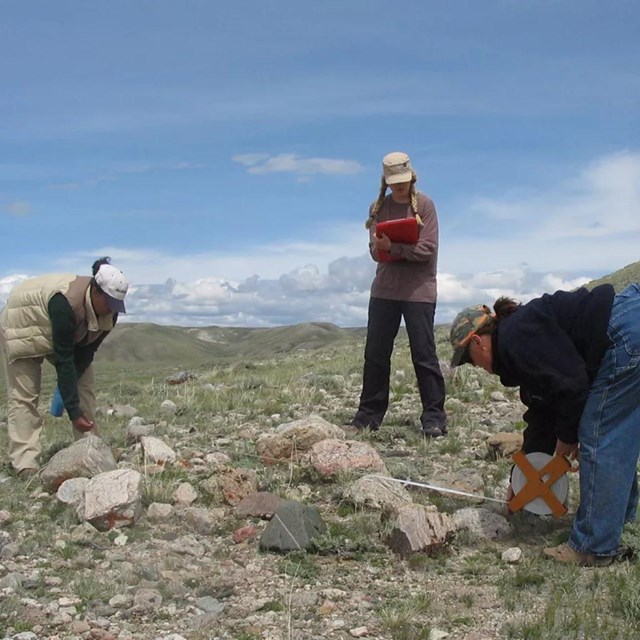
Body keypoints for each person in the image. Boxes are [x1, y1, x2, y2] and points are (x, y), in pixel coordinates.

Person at [449, 282, 640, 566]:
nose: (475, 366)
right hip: (630, 323)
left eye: (470, 360)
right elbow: (543, 409)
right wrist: (524, 474)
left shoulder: (516, 339)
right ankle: (616, 520)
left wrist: (568, 436)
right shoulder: (517, 341)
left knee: (598, 435)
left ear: (478, 341)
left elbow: (572, 385)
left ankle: (593, 546)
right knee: (615, 433)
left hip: (623, 333)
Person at [0, 258, 129, 478]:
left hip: (54, 327)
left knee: (84, 385)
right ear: (95, 291)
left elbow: (86, 353)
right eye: (108, 301)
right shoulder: (64, 304)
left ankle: (91, 448)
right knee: (25, 394)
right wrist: (72, 410)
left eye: (115, 304)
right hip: (23, 320)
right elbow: (64, 358)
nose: (111, 309)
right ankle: (25, 462)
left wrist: (72, 399)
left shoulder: (111, 312)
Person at [351, 151, 447, 437]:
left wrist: (394, 248)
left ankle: (434, 417)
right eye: (394, 182)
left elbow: (427, 249)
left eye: (403, 180)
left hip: (419, 292)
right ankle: (368, 415)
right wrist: (385, 248)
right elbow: (374, 253)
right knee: (376, 354)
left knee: (424, 355)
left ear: (411, 177)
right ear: (386, 182)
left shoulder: (426, 205)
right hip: (384, 291)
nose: (399, 186)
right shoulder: (377, 207)